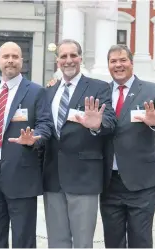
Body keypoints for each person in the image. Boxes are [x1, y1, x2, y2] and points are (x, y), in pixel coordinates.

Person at [0, 41, 53, 248]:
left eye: (15, 56)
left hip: (22, 174)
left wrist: (35, 138)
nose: (10, 60)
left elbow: (46, 124)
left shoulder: (36, 91)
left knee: (23, 237)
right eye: (6, 56)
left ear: (22, 61)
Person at [41, 39, 116, 248]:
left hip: (84, 177)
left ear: (80, 59)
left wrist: (96, 125)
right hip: (53, 177)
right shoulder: (48, 91)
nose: (68, 60)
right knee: (56, 242)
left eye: (73, 55)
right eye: (63, 56)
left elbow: (110, 122)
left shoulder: (98, 87)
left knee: (83, 243)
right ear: (57, 61)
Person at [101, 44, 155, 248]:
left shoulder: (152, 90)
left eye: (122, 60)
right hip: (108, 182)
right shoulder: (101, 91)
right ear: (108, 65)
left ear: (132, 63)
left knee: (140, 239)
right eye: (113, 61)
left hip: (142, 182)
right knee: (113, 240)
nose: (118, 65)